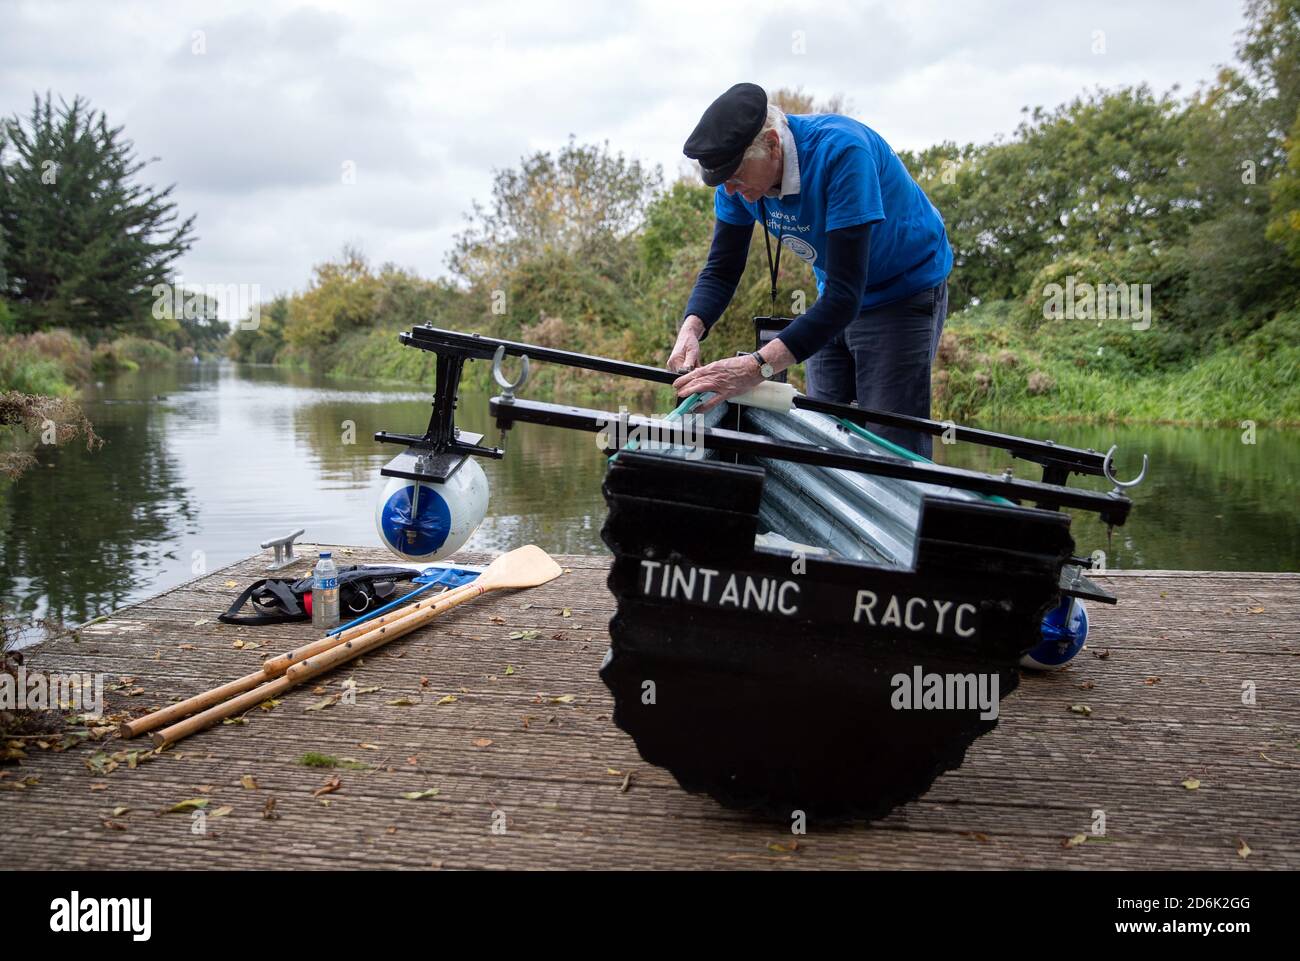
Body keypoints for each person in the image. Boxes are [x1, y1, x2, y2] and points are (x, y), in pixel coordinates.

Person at [669, 83, 952, 457]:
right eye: (724, 182)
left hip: (902, 291)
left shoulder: (842, 153)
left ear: (772, 144)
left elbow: (846, 297)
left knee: (890, 444)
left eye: (736, 176)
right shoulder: (735, 184)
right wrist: (691, 329)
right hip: (833, 296)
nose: (731, 191)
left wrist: (755, 367)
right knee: (822, 434)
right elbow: (722, 269)